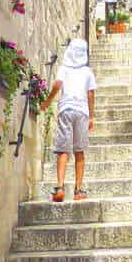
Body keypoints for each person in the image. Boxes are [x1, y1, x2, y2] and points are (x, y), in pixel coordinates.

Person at [39, 38, 97, 201]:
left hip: (66, 110)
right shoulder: (87, 72)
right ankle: (78, 190)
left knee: (63, 150)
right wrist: (91, 116)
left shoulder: (64, 68)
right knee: (79, 151)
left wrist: (47, 102)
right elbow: (91, 94)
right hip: (82, 113)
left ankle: (60, 188)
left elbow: (57, 86)